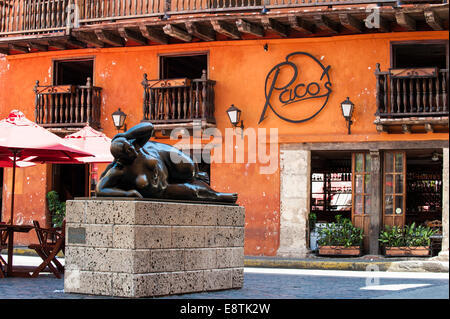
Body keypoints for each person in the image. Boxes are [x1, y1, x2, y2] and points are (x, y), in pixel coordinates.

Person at [96, 122, 237, 203]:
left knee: (188, 167)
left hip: (164, 162)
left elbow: (149, 127)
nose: (133, 150)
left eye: (130, 146)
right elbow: (100, 190)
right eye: (128, 151)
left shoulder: (137, 146)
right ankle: (218, 196)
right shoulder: (119, 170)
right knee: (193, 192)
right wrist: (127, 195)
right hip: (162, 190)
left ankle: (195, 175)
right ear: (121, 158)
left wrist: (124, 136)